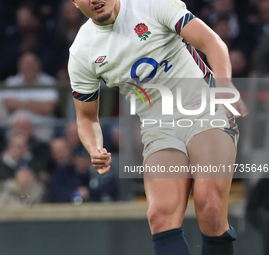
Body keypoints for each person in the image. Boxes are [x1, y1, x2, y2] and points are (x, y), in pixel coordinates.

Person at [68, 0, 248, 255]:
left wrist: (224, 85)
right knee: (160, 216)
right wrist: (94, 147)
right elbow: (86, 117)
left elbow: (212, 42)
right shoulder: (81, 51)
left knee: (209, 205)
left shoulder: (151, 4)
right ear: (74, 2)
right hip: (158, 127)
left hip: (205, 107)